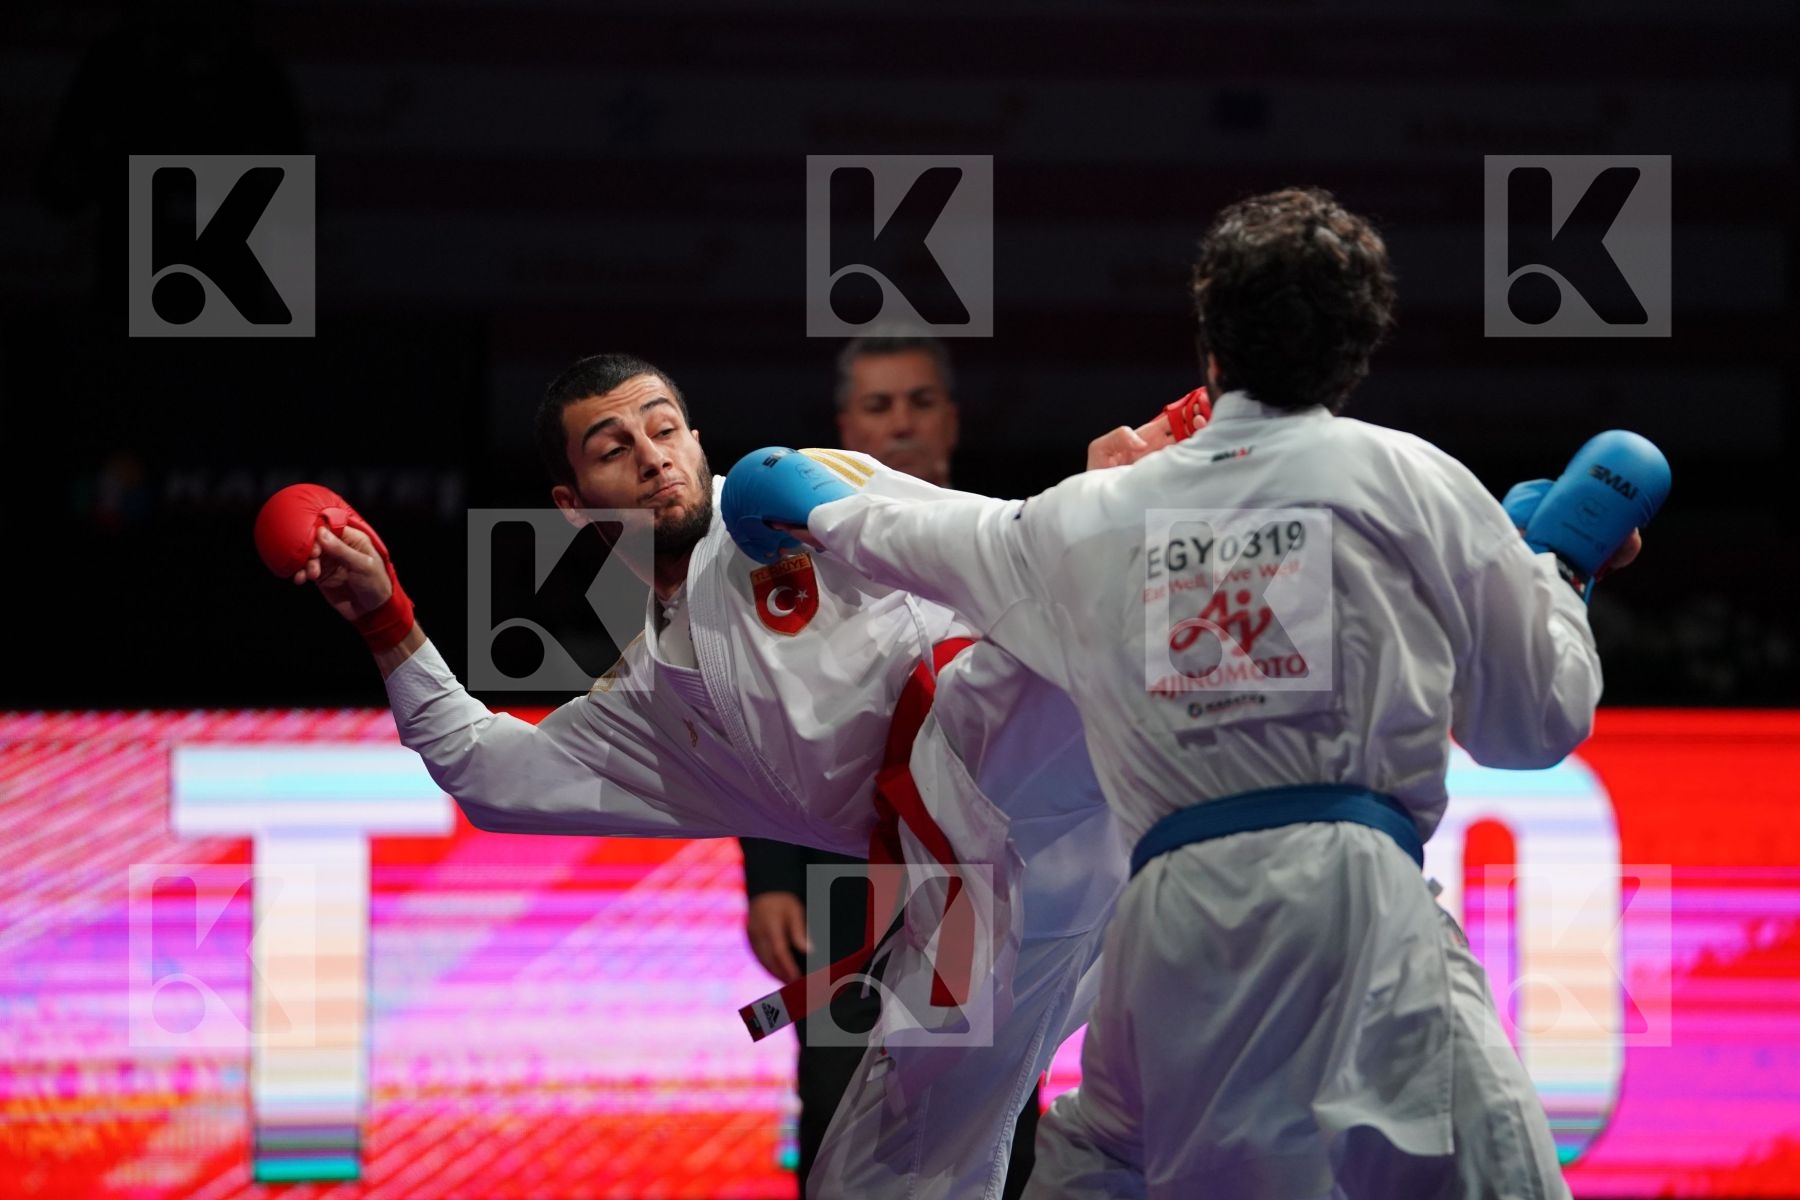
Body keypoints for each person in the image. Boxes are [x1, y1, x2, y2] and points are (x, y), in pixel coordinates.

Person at [730, 188, 1643, 1198]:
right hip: (1353, 903)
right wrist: (1559, 573)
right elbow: (1536, 724)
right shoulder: (1415, 483)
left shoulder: (1096, 512)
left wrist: (798, 494)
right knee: (1502, 1178)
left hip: (1162, 920)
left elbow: (913, 534)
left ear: (1212, 342)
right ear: (1359, 347)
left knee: (1101, 1160)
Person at [274, 353, 1160, 1200]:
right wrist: (385, 619)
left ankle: (1206, 457)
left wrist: (1083, 509)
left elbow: (976, 550)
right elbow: (485, 772)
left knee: (1029, 647)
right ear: (574, 506)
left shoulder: (791, 488)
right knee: (876, 1176)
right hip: (972, 899)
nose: (653, 457)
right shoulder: (657, 706)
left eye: (665, 430)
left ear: (698, 440)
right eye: (615, 449)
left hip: (1058, 764)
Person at [738, 335, 1041, 1197]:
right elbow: (759, 717)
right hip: (844, 883)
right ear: (845, 427)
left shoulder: (1005, 536)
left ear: (949, 417)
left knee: (998, 1106)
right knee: (843, 1103)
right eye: (878, 407)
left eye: (917, 401)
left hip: (990, 877)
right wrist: (768, 879)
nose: (900, 422)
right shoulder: (793, 569)